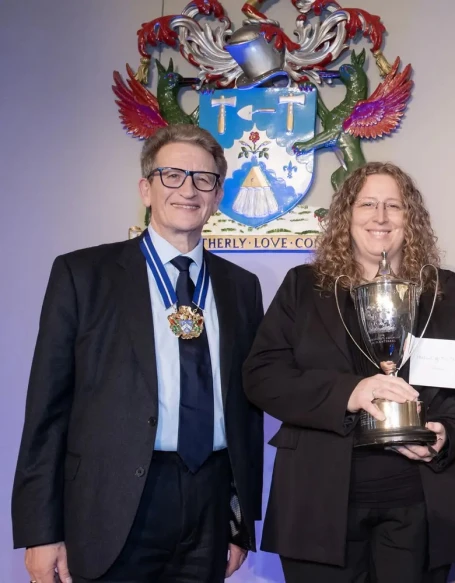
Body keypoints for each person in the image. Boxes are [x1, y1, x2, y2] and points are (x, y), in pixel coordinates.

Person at [11, 124, 265, 583]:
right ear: (146, 189)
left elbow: (245, 413)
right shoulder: (83, 274)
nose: (188, 190)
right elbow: (47, 411)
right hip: (111, 506)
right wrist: (41, 531)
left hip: (208, 507)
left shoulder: (241, 288)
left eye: (203, 179)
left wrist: (238, 519)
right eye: (172, 175)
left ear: (218, 195)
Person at [243, 162, 455, 583]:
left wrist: (447, 435)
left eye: (394, 205)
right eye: (367, 204)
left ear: (411, 218)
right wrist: (349, 392)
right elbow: (262, 376)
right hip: (317, 505)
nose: (380, 216)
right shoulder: (303, 287)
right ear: (346, 214)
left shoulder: (450, 293)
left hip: (421, 506)